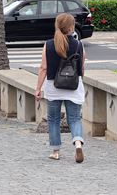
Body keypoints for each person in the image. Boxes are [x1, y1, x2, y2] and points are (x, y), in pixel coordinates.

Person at [36, 13, 86, 163]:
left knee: (53, 119)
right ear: (71, 28)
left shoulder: (49, 44)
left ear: (57, 26)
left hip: (53, 86)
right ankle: (77, 143)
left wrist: (38, 88)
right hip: (73, 85)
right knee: (75, 118)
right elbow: (82, 68)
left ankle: (56, 151)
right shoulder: (79, 44)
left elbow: (43, 68)